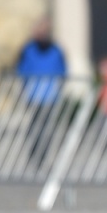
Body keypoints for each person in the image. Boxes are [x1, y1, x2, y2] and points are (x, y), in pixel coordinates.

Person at [15, 19, 68, 164]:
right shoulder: (28, 49)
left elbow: (63, 70)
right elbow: (21, 70)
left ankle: (43, 155)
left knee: (47, 127)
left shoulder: (57, 49)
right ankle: (34, 153)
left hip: (51, 95)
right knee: (35, 125)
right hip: (34, 94)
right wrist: (23, 88)